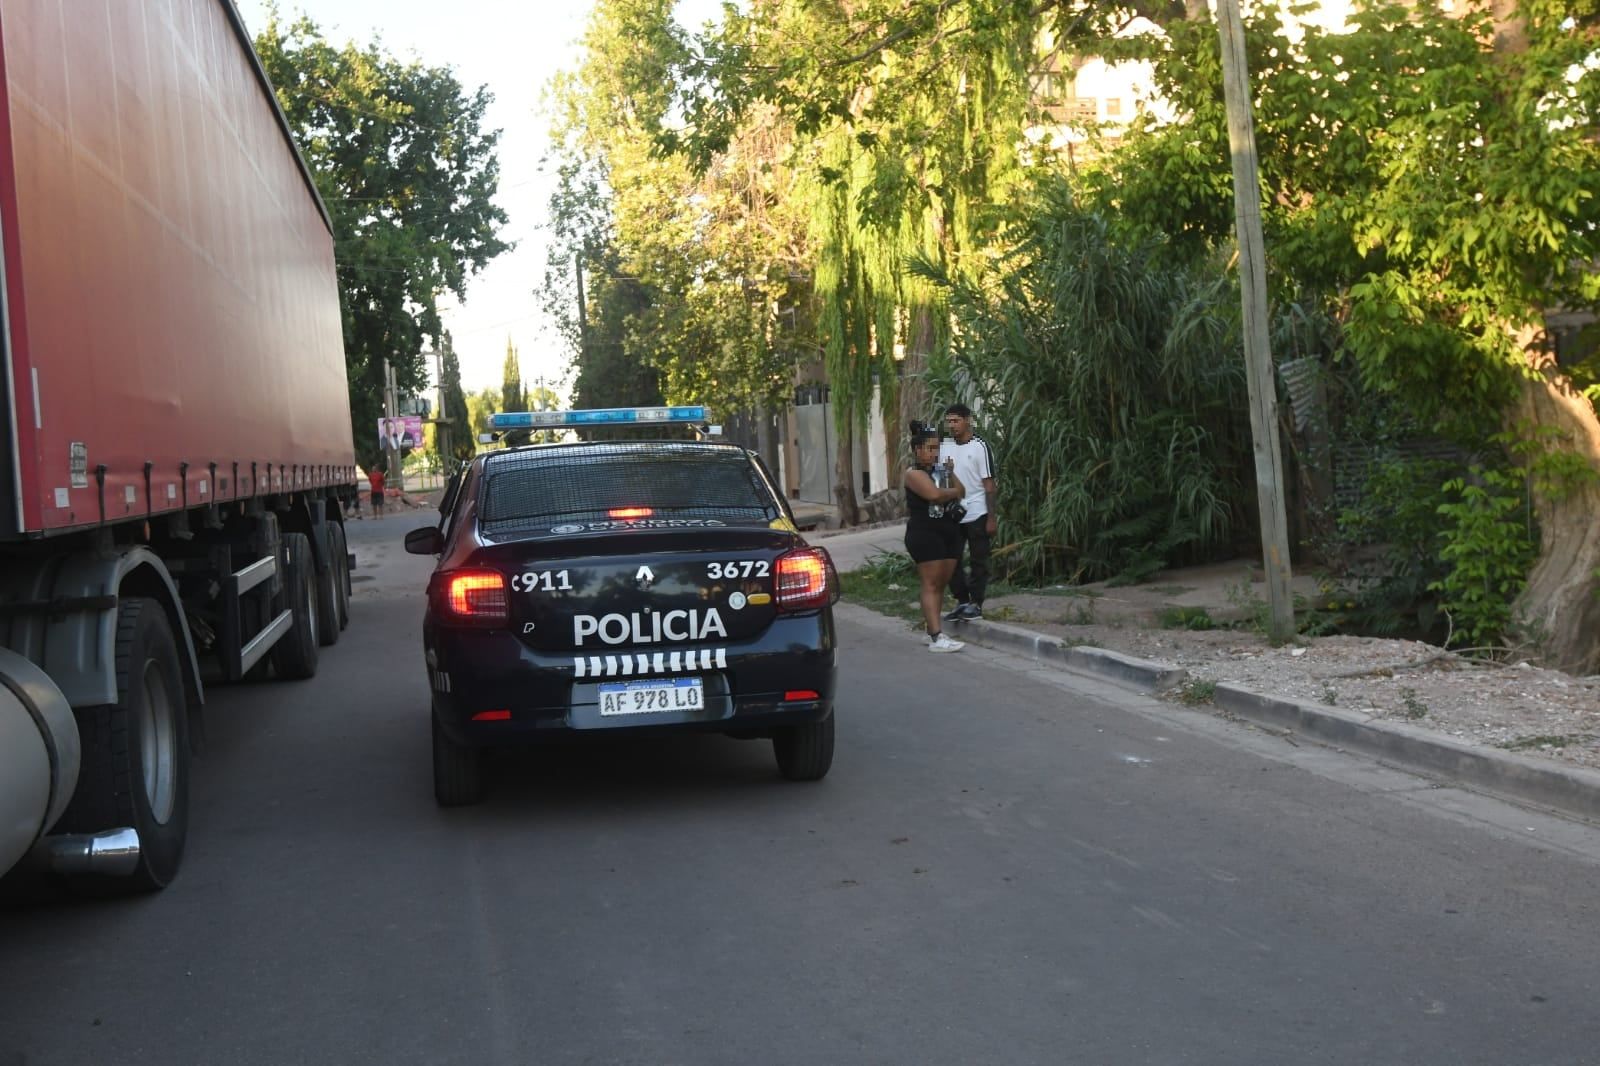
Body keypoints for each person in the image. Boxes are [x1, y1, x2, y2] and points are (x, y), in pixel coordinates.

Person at [903, 421, 967, 653]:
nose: (934, 452)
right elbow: (935, 495)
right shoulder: (914, 474)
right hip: (925, 533)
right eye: (929, 448)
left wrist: (950, 474)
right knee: (930, 583)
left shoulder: (939, 471)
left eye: (936, 447)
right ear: (918, 450)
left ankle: (933, 629)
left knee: (940, 583)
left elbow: (962, 491)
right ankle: (936, 636)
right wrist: (950, 492)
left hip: (948, 531)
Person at [939, 402, 997, 622]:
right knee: (950, 559)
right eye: (949, 421)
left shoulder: (980, 446)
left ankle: (976, 604)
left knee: (978, 560)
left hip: (977, 510)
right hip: (954, 512)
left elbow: (990, 485)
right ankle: (962, 601)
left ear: (967, 420)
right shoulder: (945, 446)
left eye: (956, 420)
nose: (952, 425)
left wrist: (991, 518)